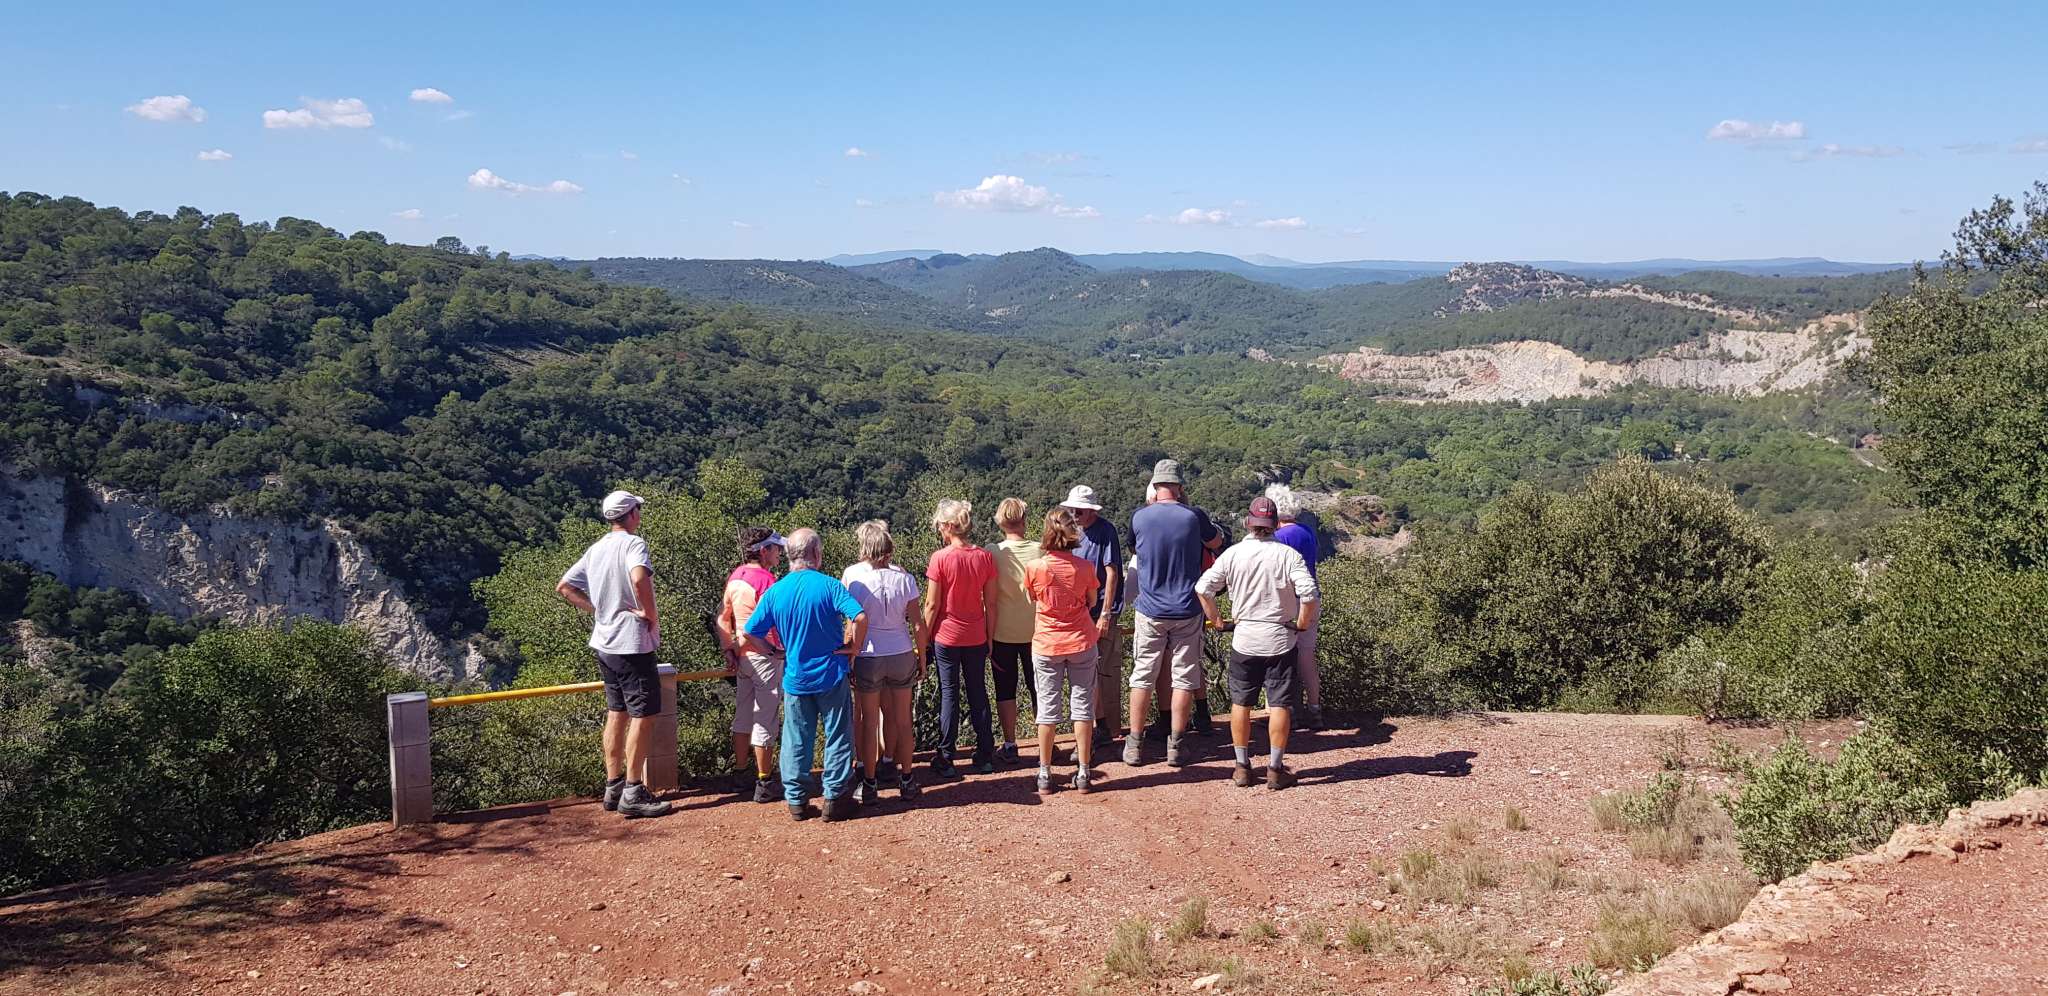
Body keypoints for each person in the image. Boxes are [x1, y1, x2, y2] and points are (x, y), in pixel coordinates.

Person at [554, 489, 673, 819]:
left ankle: (614, 786)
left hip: (604, 643)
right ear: (631, 514)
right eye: (638, 509)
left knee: (617, 711)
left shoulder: (596, 549)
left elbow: (565, 587)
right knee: (644, 715)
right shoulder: (634, 544)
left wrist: (597, 610)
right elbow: (639, 578)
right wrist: (650, 614)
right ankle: (633, 791)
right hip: (631, 643)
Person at [742, 528, 868, 822]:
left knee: (796, 737)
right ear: (816, 554)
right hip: (831, 674)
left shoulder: (776, 591)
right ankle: (835, 797)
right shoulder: (829, 586)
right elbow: (860, 617)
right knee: (838, 735)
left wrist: (774, 651)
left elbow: (750, 632)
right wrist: (854, 648)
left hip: (796, 677)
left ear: (789, 555)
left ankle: (797, 800)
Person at [1197, 496, 1320, 790]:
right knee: (1279, 704)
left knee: (1241, 703)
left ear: (1248, 523)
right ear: (1275, 524)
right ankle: (1275, 769)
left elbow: (1203, 588)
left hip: (1245, 639)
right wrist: (1301, 624)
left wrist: (1217, 620)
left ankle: (1242, 767)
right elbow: (1309, 594)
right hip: (1280, 639)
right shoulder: (1288, 556)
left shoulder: (1233, 554)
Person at [1125, 460, 1221, 768]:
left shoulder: (1139, 517)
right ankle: (1177, 745)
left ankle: (1134, 744)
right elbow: (1217, 542)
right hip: (1186, 609)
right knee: (1184, 677)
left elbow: (1134, 549)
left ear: (1155, 486)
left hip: (1150, 609)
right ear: (1179, 486)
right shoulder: (1194, 516)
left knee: (1142, 675)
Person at [841, 520, 926, 803]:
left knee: (868, 721)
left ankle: (869, 782)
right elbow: (917, 624)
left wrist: (849, 654)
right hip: (901, 651)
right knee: (903, 719)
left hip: (868, 654)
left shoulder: (852, 575)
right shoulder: (905, 578)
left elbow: (851, 621)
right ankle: (907, 779)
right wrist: (922, 657)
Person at [1023, 507, 1102, 793]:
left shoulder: (1035, 567)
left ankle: (1044, 773)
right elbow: (1092, 601)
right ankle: (1083, 771)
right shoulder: (1085, 567)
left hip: (1047, 643)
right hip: (1081, 640)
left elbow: (1032, 598)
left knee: (1047, 709)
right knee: (1083, 708)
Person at [923, 498, 999, 776]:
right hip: (976, 635)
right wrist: (990, 636)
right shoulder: (984, 557)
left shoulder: (940, 558)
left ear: (948, 526)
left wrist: (922, 639)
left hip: (946, 636)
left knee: (949, 694)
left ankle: (946, 757)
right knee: (978, 692)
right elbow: (991, 603)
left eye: (940, 525)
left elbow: (931, 605)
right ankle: (986, 753)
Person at [715, 525, 785, 804]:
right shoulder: (767, 581)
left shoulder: (736, 577)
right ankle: (764, 780)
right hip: (765, 657)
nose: (780, 552)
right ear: (764, 551)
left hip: (743, 658)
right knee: (765, 718)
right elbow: (771, 622)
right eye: (776, 548)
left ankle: (741, 772)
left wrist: (729, 649)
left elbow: (723, 618)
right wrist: (776, 650)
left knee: (743, 715)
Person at [1061, 486, 1124, 751]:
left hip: (1098, 611)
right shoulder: (1072, 529)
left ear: (1091, 510)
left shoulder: (1106, 531)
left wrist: (1106, 613)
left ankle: (1104, 728)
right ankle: (1100, 727)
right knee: (1086, 673)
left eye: (1079, 510)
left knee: (1098, 671)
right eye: (1072, 510)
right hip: (1078, 611)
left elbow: (1112, 573)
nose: (1075, 514)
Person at [986, 497, 1042, 767]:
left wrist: (987, 636)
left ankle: (1010, 744)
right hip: (1036, 632)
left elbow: (989, 599)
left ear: (1000, 522)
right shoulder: (1040, 550)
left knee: (1005, 690)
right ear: (1024, 520)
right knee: (1039, 689)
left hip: (1002, 632)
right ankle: (1046, 741)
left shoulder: (992, 552)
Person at [1266, 484, 1323, 730]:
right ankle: (1315, 709)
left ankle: (1284, 711)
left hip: (1289, 601)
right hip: (1311, 598)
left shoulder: (1278, 538)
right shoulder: (1307, 531)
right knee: (1307, 655)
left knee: (1280, 657)